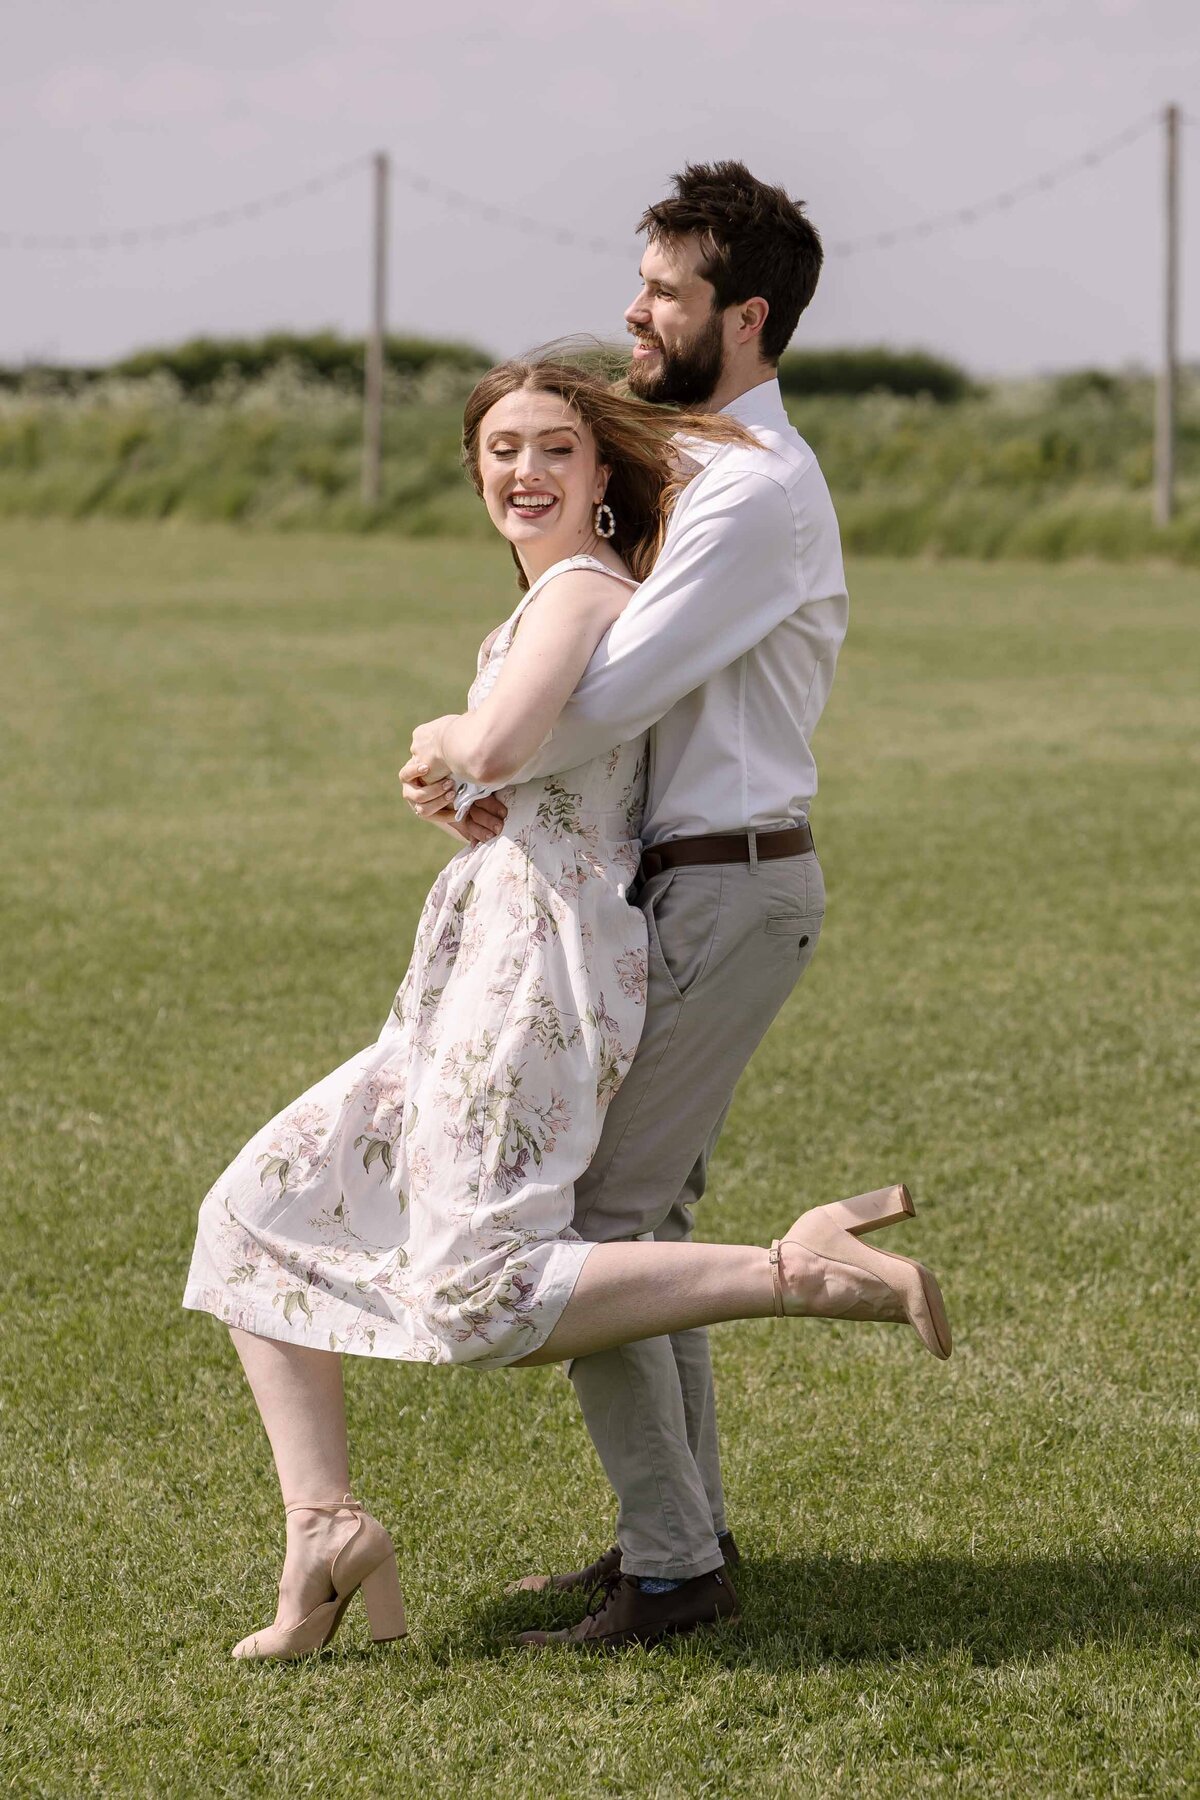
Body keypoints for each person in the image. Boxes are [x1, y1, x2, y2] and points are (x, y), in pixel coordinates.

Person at [183, 353, 952, 1663]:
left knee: (481, 1294)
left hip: (528, 984)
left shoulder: (587, 588)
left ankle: (800, 1271)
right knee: (252, 1211)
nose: (523, 472)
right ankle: (323, 1531)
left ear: (604, 479)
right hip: (468, 967)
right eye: (500, 451)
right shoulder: (561, 597)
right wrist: (470, 768)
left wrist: (447, 744)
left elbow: (490, 744)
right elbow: (511, 760)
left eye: (554, 449)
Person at [402, 160, 882, 1651]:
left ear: (742, 315)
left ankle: (673, 1570)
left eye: (665, 289)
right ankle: (675, 1541)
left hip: (729, 886)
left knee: (599, 1224)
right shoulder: (716, 471)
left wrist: (462, 743)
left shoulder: (751, 494)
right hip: (702, 882)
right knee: (640, 1212)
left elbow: (603, 697)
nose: (635, 308)